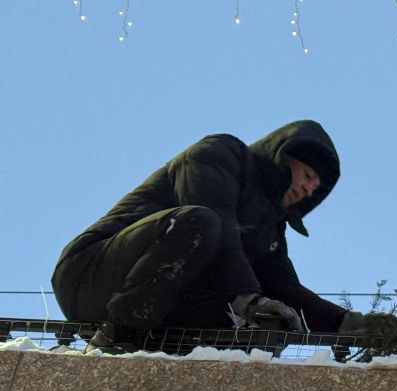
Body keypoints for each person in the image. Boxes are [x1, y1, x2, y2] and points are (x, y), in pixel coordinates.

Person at [51, 119, 371, 353]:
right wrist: (249, 299)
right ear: (285, 155)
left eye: (317, 187)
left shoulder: (270, 229)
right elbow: (215, 225)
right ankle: (116, 338)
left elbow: (283, 288)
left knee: (266, 317)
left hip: (161, 304)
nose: (310, 188)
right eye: (309, 175)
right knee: (202, 222)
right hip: (91, 273)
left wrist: (346, 323)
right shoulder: (220, 155)